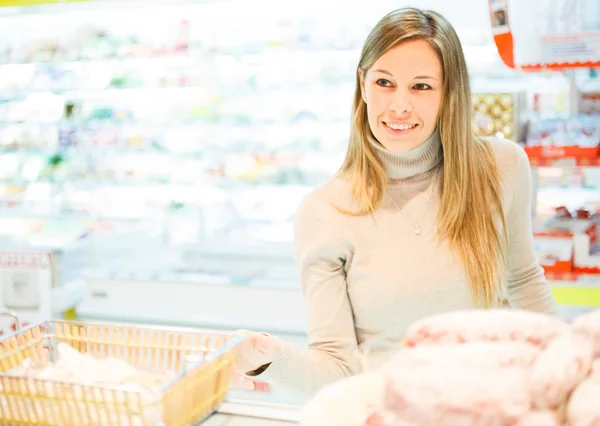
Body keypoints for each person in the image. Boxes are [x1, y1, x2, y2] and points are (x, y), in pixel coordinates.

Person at [232, 7, 557, 397]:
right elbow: (337, 367)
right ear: (363, 85)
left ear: (449, 92)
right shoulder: (324, 213)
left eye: (421, 87)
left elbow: (524, 282)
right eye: (385, 82)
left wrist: (567, 375)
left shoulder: (501, 167)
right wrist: (269, 359)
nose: (400, 106)